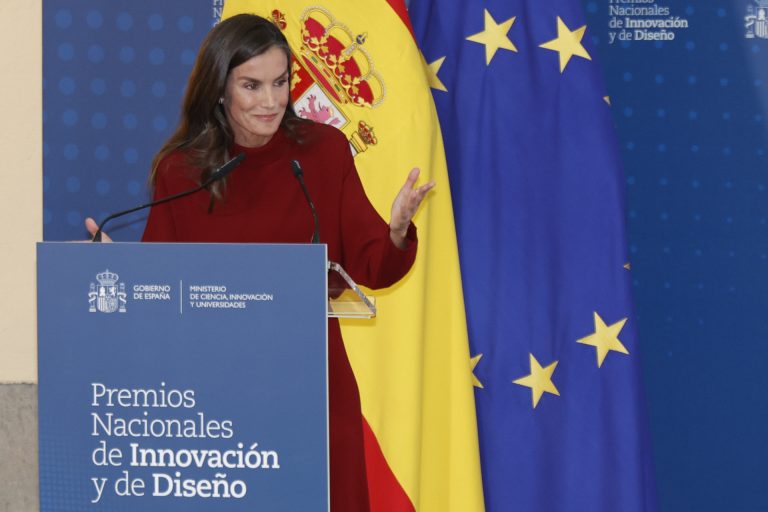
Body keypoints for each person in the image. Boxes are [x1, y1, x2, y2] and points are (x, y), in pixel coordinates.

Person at [86, 13, 433, 511]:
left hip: (313, 386)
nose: (271, 102)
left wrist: (397, 232)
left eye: (280, 83)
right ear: (219, 90)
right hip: (216, 395)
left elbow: (374, 267)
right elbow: (160, 292)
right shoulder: (181, 171)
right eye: (252, 86)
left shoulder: (324, 152)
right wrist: (120, 274)